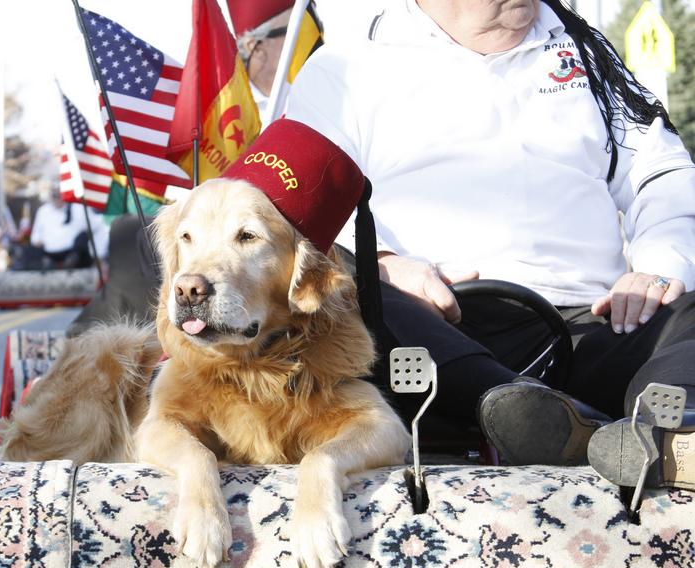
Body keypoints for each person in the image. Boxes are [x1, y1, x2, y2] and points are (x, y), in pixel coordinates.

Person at [283, 0, 695, 488]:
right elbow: (302, 199)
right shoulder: (347, 63)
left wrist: (658, 268)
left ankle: (665, 434)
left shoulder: (587, 50)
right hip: (431, 331)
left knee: (686, 309)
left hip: (593, 324)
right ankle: (534, 414)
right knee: (352, 286)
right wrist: (385, 262)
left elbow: (663, 173)